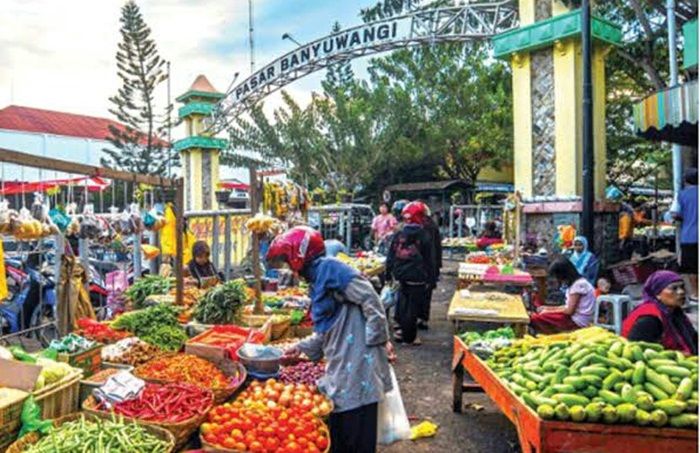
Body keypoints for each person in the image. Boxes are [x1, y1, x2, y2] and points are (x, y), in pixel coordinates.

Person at [267, 226, 394, 453]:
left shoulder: (331, 269)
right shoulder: (319, 277)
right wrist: (300, 347)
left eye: (287, 260)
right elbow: (328, 330)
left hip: (357, 361)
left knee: (355, 427)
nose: (287, 267)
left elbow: (370, 299)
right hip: (342, 359)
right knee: (344, 426)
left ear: (299, 254)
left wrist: (376, 341)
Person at [386, 201, 436, 344]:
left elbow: (391, 255)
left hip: (401, 275)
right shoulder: (424, 235)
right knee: (413, 308)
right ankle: (410, 337)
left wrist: (389, 274)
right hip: (417, 276)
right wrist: (431, 279)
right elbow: (429, 259)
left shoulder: (399, 234)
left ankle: (401, 332)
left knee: (402, 303)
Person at [622, 270, 698, 354]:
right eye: (674, 288)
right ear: (657, 294)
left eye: (682, 287)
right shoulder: (649, 318)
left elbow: (693, 339)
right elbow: (639, 351)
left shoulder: (676, 313)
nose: (681, 292)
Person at [530, 258, 596, 334]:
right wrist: (548, 308)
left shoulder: (578, 285)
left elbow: (569, 311)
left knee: (536, 318)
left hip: (578, 321)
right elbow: (568, 307)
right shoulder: (579, 283)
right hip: (574, 317)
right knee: (541, 314)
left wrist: (548, 311)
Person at [672, 168, 698, 300]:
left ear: (686, 181)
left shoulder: (681, 195)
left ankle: (696, 293)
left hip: (689, 235)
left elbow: (674, 213)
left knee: (691, 267)